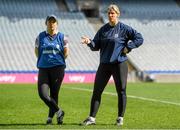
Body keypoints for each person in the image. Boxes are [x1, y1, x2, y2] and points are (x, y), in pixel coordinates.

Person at [81, 4, 143, 126]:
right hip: (104, 65)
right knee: (97, 91)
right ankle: (91, 118)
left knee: (121, 91)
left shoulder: (124, 29)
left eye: (113, 13)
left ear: (117, 14)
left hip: (119, 64)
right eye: (109, 13)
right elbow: (96, 46)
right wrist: (89, 42)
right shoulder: (103, 29)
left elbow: (139, 38)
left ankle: (120, 118)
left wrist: (128, 47)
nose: (110, 15)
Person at [34, 14, 69, 125]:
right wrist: (44, 60)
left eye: (54, 22)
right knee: (43, 94)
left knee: (54, 94)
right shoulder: (40, 36)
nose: (52, 24)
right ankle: (59, 112)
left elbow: (66, 53)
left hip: (58, 69)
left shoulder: (62, 37)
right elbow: (36, 51)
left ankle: (51, 118)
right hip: (43, 68)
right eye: (49, 22)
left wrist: (56, 61)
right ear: (46, 23)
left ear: (57, 23)